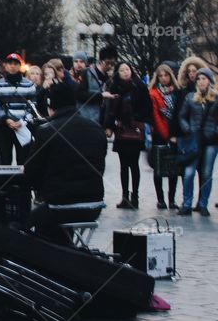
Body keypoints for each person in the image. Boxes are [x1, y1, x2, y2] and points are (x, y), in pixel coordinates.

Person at [22, 79, 106, 246]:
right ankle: (68, 253)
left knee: (22, 226)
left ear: (51, 107)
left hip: (60, 206)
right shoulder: (97, 129)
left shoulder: (46, 131)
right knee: (52, 223)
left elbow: (31, 172)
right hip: (94, 206)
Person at [103, 62, 152, 210]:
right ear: (118, 72)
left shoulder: (140, 87)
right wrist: (109, 126)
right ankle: (125, 197)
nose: (125, 72)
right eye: (122, 70)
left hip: (135, 130)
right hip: (120, 130)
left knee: (134, 165)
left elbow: (147, 107)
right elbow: (110, 109)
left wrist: (137, 119)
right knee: (123, 166)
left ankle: (135, 197)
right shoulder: (114, 87)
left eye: (127, 69)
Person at [177, 68, 218, 216]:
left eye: (204, 78)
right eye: (199, 79)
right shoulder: (190, 97)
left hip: (211, 141)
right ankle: (186, 204)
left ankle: (203, 204)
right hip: (193, 140)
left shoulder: (216, 98)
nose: (201, 81)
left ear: (210, 81)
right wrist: (187, 128)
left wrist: (215, 131)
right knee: (188, 172)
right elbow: (181, 116)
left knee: (207, 173)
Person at [0, 53, 37, 166]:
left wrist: (23, 121)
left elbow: (33, 107)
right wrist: (6, 119)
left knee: (24, 160)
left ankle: (23, 183)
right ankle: (6, 183)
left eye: (16, 64)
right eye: (10, 63)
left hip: (23, 126)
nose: (12, 66)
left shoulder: (29, 84)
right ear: (5, 65)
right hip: (4, 126)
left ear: (20, 66)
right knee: (4, 160)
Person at [148, 64, 180, 210]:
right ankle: (160, 199)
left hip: (174, 134)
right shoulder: (153, 93)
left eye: (166, 75)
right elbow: (155, 116)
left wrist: (174, 135)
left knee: (174, 168)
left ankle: (172, 199)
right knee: (159, 168)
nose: (163, 78)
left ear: (170, 76)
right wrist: (167, 136)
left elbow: (178, 114)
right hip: (159, 135)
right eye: (160, 76)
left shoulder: (177, 92)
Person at [76, 45, 116, 123]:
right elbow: (79, 95)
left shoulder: (109, 79)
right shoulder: (87, 73)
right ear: (101, 60)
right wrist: (101, 96)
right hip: (86, 119)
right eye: (108, 63)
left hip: (100, 122)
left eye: (112, 64)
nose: (110, 66)